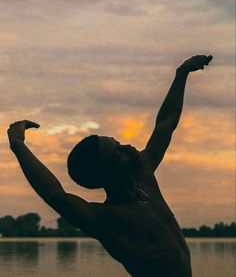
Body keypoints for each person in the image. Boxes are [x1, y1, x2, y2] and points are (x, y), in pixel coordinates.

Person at [8, 55, 213, 277]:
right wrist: (17, 144)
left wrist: (181, 74)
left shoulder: (143, 179)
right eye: (118, 152)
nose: (127, 147)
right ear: (108, 172)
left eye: (119, 143)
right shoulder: (106, 219)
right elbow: (55, 194)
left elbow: (166, 123)